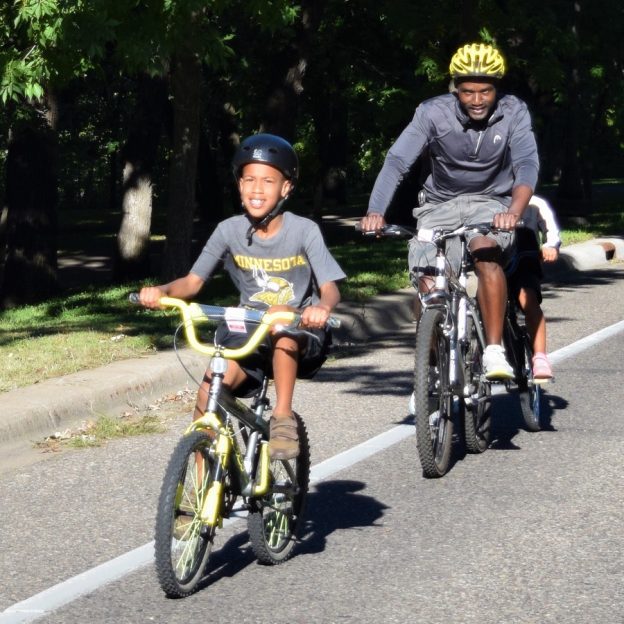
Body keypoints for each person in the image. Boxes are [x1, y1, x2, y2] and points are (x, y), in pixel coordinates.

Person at [139, 133, 346, 460]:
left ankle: (282, 418)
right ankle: (199, 494)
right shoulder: (228, 230)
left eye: (268, 180)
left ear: (286, 188)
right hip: (249, 333)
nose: (257, 189)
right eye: (249, 179)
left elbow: (330, 285)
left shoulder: (303, 230)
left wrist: (322, 307)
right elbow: (193, 283)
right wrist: (162, 292)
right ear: (238, 185)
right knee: (209, 390)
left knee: (280, 321)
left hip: (300, 332)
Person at [361, 42, 540, 380]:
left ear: (496, 89)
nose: (476, 100)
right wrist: (375, 211)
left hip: (492, 204)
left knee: (486, 254)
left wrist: (514, 211)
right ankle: (427, 375)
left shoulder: (514, 111)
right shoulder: (432, 113)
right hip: (438, 206)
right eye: (468, 91)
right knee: (428, 284)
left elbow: (527, 164)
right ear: (456, 89)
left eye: (485, 91)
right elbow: (398, 161)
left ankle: (493, 350)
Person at [506, 194, 561, 381]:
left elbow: (551, 230)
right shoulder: (488, 200)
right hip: (495, 265)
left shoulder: (535, 204)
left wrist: (550, 245)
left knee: (527, 299)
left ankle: (540, 356)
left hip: (525, 261)